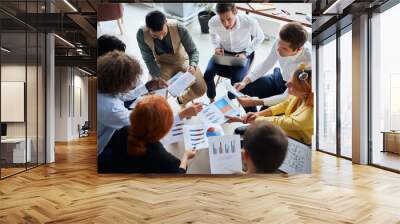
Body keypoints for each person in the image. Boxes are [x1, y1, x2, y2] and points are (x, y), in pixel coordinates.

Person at [97, 51, 203, 157]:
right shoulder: (112, 109)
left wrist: (147, 87)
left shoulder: (104, 85)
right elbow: (148, 122)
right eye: (131, 82)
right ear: (121, 83)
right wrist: (183, 114)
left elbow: (122, 96)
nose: (133, 84)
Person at [98, 95, 196, 173]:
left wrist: (182, 114)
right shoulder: (162, 158)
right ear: (163, 132)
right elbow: (179, 172)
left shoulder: (117, 130)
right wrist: (186, 156)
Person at [234, 22, 311, 112]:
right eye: (279, 44)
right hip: (279, 78)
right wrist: (244, 82)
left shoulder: (309, 61)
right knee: (244, 87)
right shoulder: (281, 42)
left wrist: (254, 102)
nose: (278, 49)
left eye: (284, 49)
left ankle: (256, 120)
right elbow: (267, 63)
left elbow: (286, 97)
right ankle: (252, 117)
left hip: (290, 90)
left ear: (299, 49)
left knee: (265, 112)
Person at [227, 67, 313, 145]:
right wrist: (258, 114)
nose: (287, 87)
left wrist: (242, 119)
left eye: (292, 86)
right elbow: (284, 105)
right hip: (291, 130)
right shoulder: (299, 96)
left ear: (305, 92)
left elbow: (279, 121)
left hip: (301, 141)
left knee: (266, 132)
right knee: (262, 131)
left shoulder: (307, 116)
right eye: (289, 82)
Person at [137, 10, 207, 105]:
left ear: (166, 21)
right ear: (148, 28)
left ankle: (182, 100)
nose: (160, 37)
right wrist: (157, 76)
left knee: (201, 89)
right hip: (162, 64)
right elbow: (148, 59)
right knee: (155, 96)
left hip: (182, 60)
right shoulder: (142, 34)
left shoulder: (179, 28)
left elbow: (193, 51)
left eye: (163, 33)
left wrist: (193, 65)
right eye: (155, 36)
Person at [204, 3, 264, 101]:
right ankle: (212, 99)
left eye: (229, 19)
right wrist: (216, 47)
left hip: (242, 54)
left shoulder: (249, 22)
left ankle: (229, 100)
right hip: (223, 53)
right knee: (207, 75)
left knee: (236, 82)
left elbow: (260, 37)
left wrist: (246, 53)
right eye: (222, 20)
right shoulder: (213, 22)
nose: (226, 24)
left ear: (235, 12)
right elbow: (213, 35)